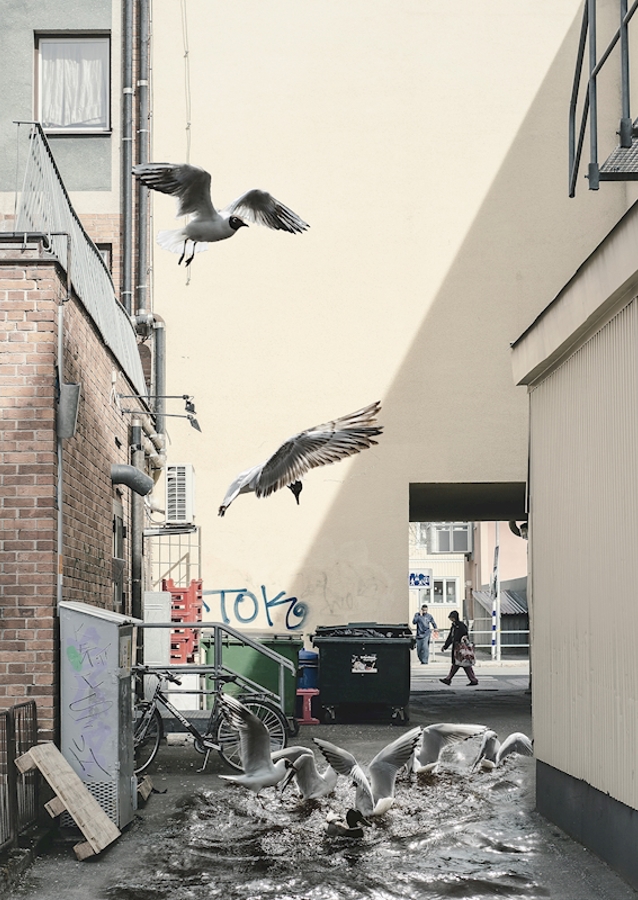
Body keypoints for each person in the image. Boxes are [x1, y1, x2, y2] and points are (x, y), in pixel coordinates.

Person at [439, 610, 479, 686]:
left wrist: (459, 641)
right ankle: (472, 679)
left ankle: (449, 679)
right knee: (462, 664)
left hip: (461, 648)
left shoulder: (460, 626)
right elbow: (450, 638)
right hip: (457, 648)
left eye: (451, 617)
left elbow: (463, 635)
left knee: (460, 664)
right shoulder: (454, 626)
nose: (451, 619)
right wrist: (445, 646)